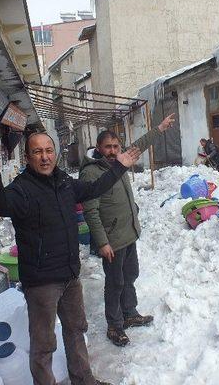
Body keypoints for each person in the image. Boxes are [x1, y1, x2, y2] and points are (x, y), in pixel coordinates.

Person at [0, 133, 141, 385]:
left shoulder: (64, 181)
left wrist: (119, 166)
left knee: (76, 330)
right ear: (28, 156)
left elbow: (94, 188)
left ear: (55, 153)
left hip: (69, 275)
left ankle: (83, 380)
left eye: (48, 150)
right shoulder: (22, 189)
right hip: (42, 282)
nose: (45, 157)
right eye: (37, 152)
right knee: (43, 345)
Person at [79, 114, 176, 347]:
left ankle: (129, 312)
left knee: (130, 275)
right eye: (108, 147)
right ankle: (114, 325)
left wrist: (159, 128)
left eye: (115, 146)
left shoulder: (120, 162)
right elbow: (90, 212)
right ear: (99, 149)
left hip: (128, 233)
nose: (112, 151)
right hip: (112, 239)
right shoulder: (91, 173)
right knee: (115, 282)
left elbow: (138, 146)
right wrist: (102, 242)